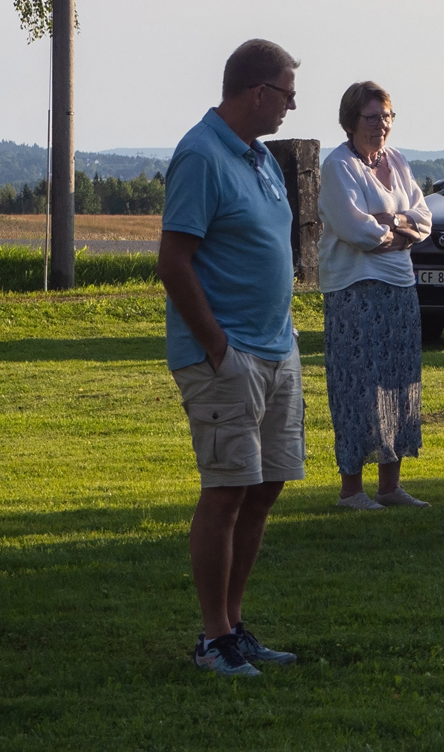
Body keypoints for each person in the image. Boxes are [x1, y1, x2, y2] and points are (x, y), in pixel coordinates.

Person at [156, 39, 306, 677]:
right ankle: (213, 638)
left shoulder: (261, 156)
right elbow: (174, 262)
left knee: (265, 487)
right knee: (227, 491)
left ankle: (235, 626)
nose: (291, 106)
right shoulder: (201, 154)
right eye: (287, 94)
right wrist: (218, 348)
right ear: (257, 91)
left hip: (276, 350)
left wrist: (284, 336)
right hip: (227, 358)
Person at [317, 81, 434, 511]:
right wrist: (396, 233)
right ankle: (352, 490)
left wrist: (394, 222)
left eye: (387, 117)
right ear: (351, 121)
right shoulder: (339, 166)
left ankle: (390, 486)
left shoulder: (397, 160)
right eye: (372, 117)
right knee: (358, 387)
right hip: (354, 290)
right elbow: (357, 230)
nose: (381, 125)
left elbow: (425, 220)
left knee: (398, 384)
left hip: (400, 288)